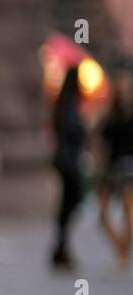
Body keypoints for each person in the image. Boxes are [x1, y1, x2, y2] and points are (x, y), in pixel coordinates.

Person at [51, 66, 87, 272]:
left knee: (68, 203)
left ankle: (61, 248)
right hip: (68, 162)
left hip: (67, 161)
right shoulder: (67, 105)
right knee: (70, 202)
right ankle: (60, 248)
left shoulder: (66, 102)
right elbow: (71, 131)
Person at [98, 68, 133, 274]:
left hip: (129, 168)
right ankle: (120, 247)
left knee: (129, 214)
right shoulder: (109, 114)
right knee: (103, 216)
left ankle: (123, 255)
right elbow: (99, 138)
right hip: (110, 169)